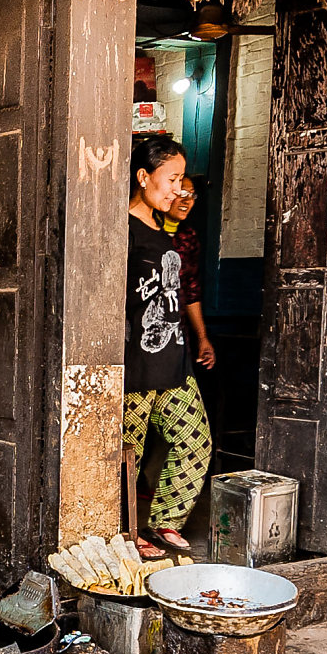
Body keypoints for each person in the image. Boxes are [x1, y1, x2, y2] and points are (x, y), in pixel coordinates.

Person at [124, 137, 212, 555]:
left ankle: (164, 523)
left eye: (182, 179)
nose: (179, 189)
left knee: (195, 441)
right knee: (128, 457)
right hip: (134, 367)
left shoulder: (165, 230)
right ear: (143, 177)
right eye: (171, 178)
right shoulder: (120, 230)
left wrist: (195, 341)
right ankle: (125, 534)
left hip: (174, 363)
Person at [164, 174, 215, 369]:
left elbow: (191, 290)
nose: (187, 200)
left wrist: (202, 338)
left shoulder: (188, 237)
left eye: (192, 195)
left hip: (178, 335)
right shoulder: (143, 233)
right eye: (181, 193)